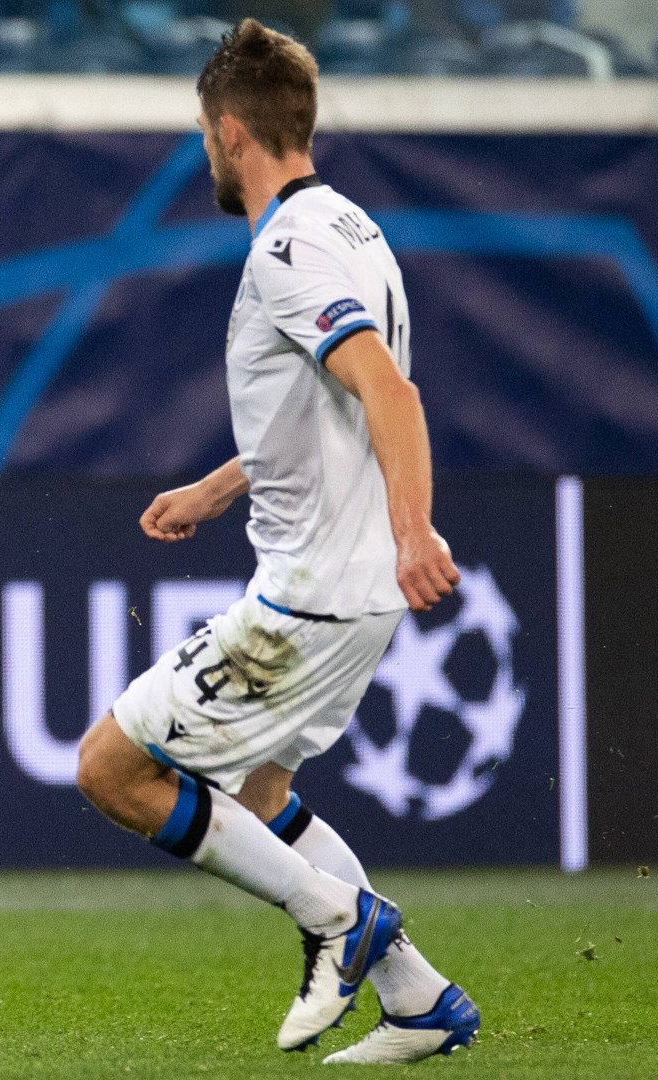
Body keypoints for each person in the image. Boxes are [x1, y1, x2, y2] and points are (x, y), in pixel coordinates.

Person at [71, 19, 479, 1065]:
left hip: (315, 596)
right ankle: (419, 1000)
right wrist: (219, 486)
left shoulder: (288, 251)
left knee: (114, 769)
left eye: (206, 139)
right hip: (349, 587)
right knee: (260, 797)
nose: (207, 155)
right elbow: (330, 410)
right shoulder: (352, 226)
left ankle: (343, 923)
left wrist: (414, 527)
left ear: (230, 131)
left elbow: (387, 390)